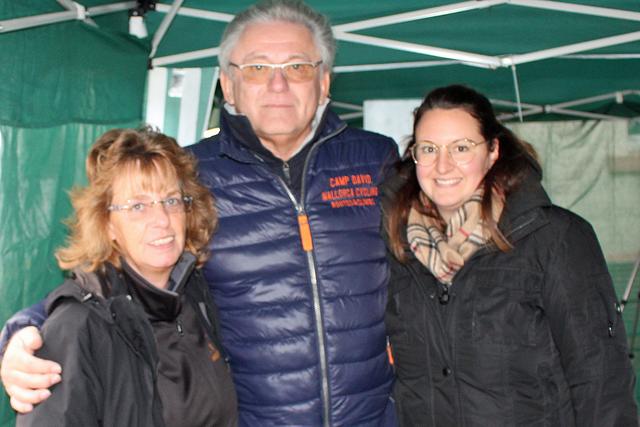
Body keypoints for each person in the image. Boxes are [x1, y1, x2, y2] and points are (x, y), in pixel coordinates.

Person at [1, 1, 398, 425]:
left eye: (297, 67)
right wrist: (24, 330)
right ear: (228, 85)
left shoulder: (375, 159)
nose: (278, 84)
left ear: (324, 81)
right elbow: (114, 271)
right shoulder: (190, 176)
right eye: (257, 68)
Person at [382, 84, 638, 426]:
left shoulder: (553, 238)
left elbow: (601, 379)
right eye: (429, 149)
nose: (443, 165)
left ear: (493, 151)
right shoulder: (395, 246)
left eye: (461, 147)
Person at [13, 128, 238, 426]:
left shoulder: (195, 294)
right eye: (138, 206)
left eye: (171, 200)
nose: (162, 219)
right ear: (107, 224)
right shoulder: (77, 328)